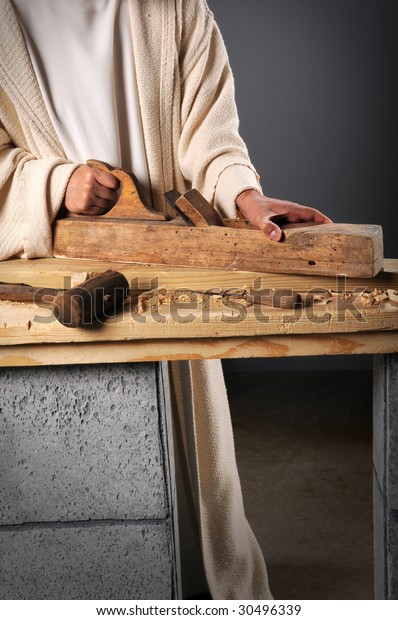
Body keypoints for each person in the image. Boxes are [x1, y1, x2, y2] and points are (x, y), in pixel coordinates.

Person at [0, 0, 331, 599]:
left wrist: (243, 196)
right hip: (62, 285)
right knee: (71, 489)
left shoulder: (175, 8)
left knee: (186, 479)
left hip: (164, 271)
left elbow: (210, 132)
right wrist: (54, 182)